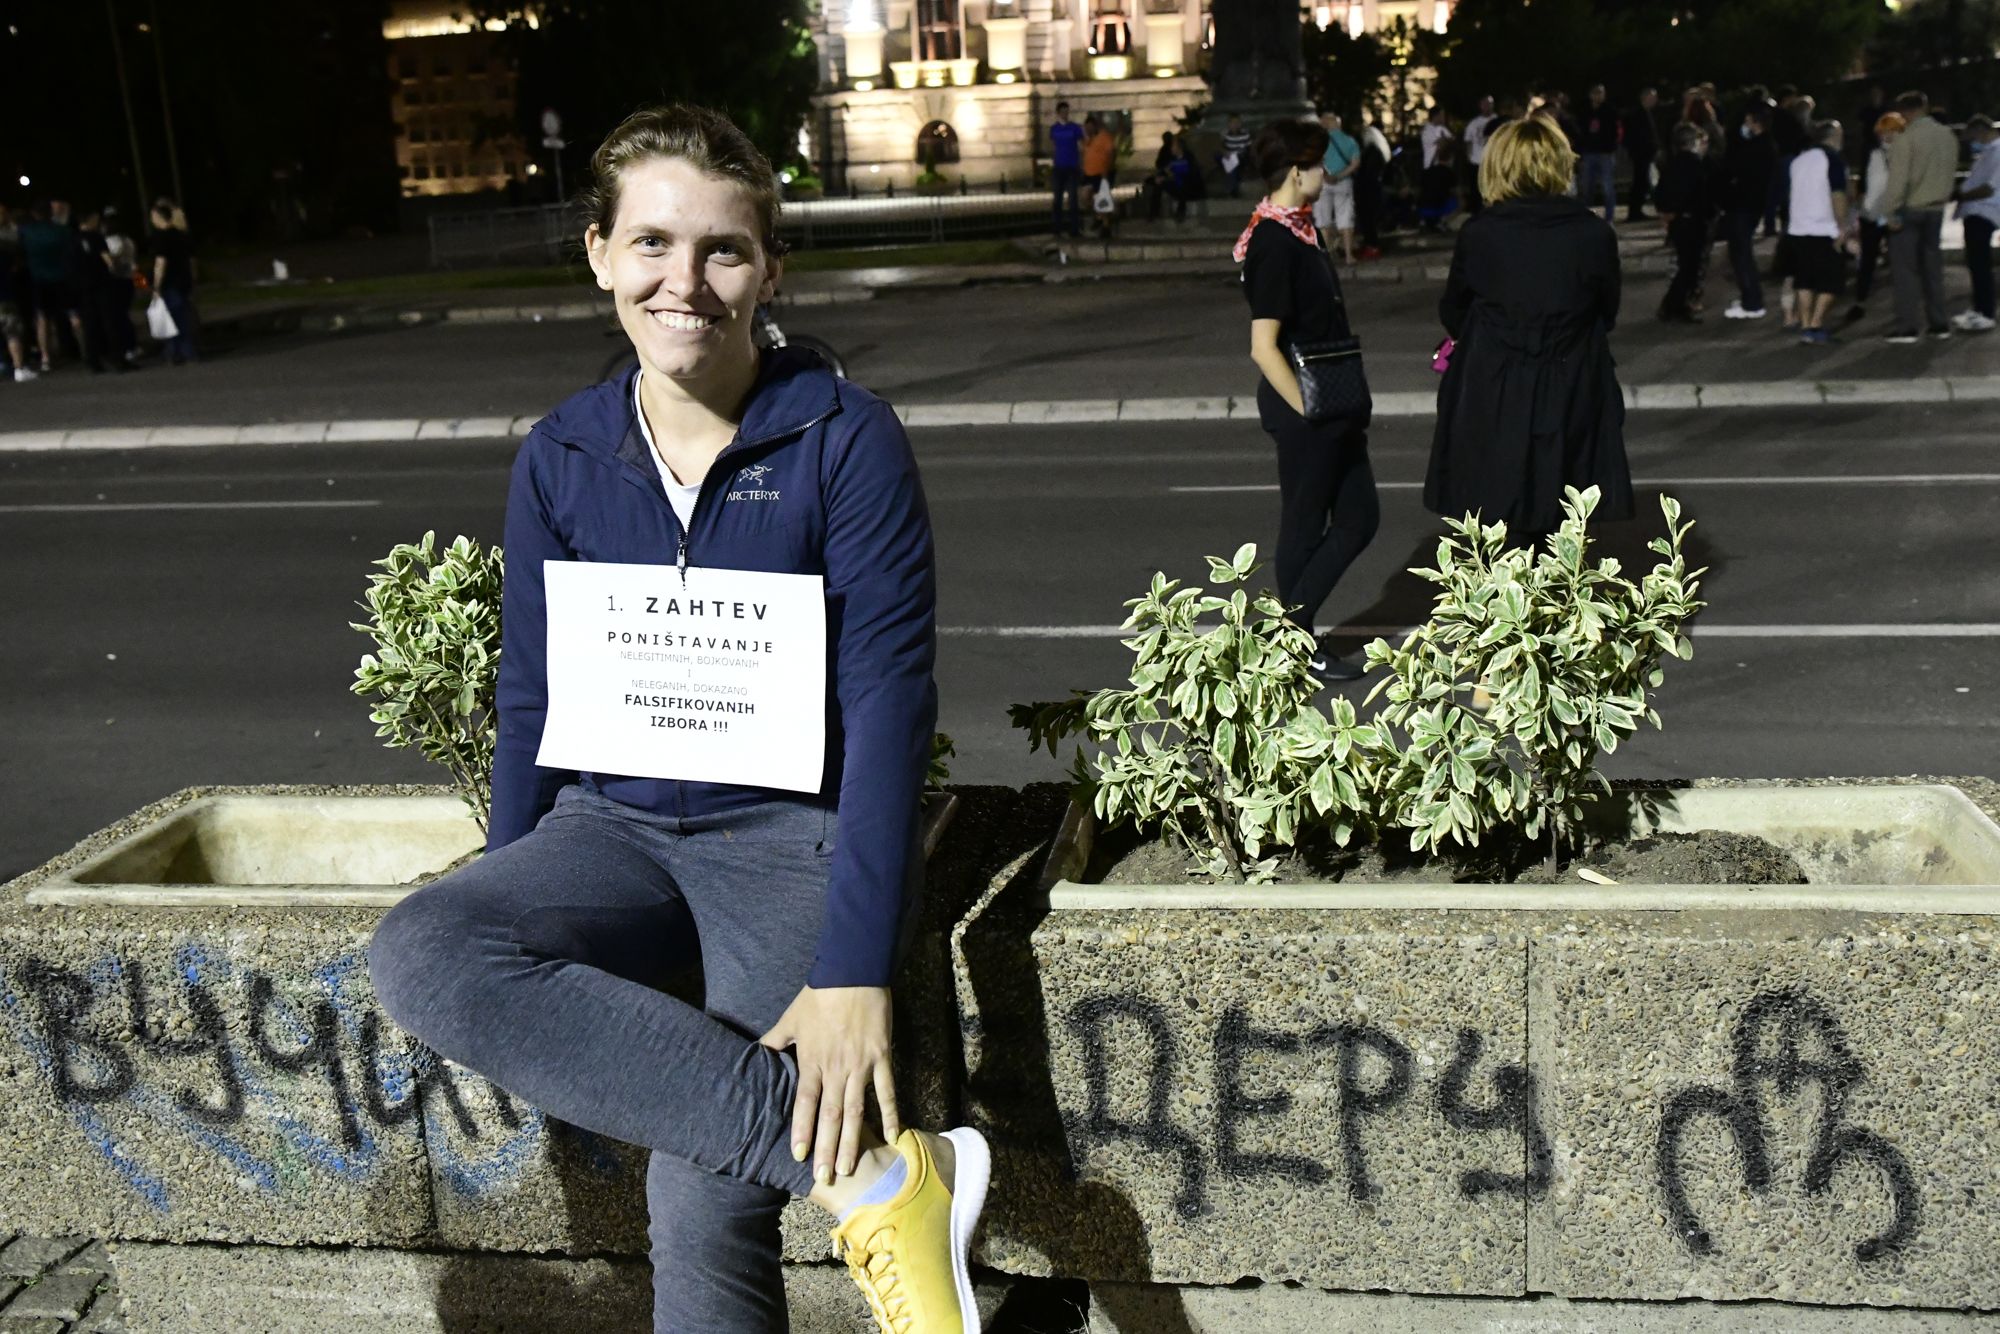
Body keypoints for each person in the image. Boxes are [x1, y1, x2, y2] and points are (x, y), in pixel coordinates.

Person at [366, 103, 989, 1334]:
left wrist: (854, 968)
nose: (683, 283)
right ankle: (874, 1178)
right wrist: (522, 882)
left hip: (787, 841)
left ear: (770, 269)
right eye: (650, 243)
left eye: (722, 250)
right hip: (614, 834)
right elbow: (532, 699)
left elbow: (888, 703)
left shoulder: (843, 440)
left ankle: (866, 1178)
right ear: (598, 253)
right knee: (422, 947)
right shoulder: (561, 454)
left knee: (700, 1199)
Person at [1428, 113, 1632, 547]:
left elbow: (1454, 310)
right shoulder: (1593, 234)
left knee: (1500, 520)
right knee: (1566, 520)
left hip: (1494, 385)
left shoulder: (1480, 233)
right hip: (1571, 380)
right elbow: (1606, 311)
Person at [1237, 116, 1378, 683]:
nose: (1327, 171)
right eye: (1318, 164)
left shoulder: (1300, 228)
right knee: (1303, 523)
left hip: (1332, 402)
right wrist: (1308, 410)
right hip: (1305, 409)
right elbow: (1262, 347)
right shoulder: (1273, 240)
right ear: (1297, 172)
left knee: (1359, 517)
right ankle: (1294, 640)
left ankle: (1289, 633)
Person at [1878, 90, 1959, 342]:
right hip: (1936, 209)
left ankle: (1908, 326)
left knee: (1905, 271)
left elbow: (1898, 180)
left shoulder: (1907, 138)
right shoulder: (1947, 135)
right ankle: (1939, 323)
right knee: (1932, 269)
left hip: (1910, 209)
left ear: (1905, 112)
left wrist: (1890, 210)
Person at [1785, 121, 1850, 344]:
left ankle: (1805, 326)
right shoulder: (1832, 159)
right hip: (1823, 227)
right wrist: (1842, 226)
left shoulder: (1798, 160)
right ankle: (1816, 323)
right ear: (1834, 137)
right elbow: (1838, 193)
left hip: (1798, 227)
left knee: (1805, 279)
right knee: (1831, 281)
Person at [1720, 104, 1777, 319]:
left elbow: (1735, 169)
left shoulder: (1757, 147)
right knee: (1741, 252)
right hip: (1750, 204)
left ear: (1756, 122)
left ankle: (1752, 301)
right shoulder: (1763, 145)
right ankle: (1750, 297)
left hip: (1744, 205)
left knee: (1741, 253)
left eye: (1748, 121)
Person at [1655, 123, 1716, 323]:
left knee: (1686, 265)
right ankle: (1674, 306)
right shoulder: (1694, 165)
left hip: (1681, 222)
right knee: (1690, 267)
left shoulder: (1673, 164)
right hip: (1692, 221)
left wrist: (1667, 212)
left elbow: (1661, 193)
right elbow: (1698, 195)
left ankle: (1674, 305)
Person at [19, 201, 89, 373]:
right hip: (63, 278)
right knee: (74, 315)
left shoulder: (27, 232)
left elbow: (20, 253)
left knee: (43, 319)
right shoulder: (62, 231)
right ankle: (86, 351)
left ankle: (45, 358)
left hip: (39, 279)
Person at [1849, 111, 1904, 323]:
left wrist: (1867, 212)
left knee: (1868, 261)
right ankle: (1903, 306)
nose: (1884, 136)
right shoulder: (1905, 154)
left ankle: (1860, 301)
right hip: (1896, 213)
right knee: (1900, 261)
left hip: (1875, 216)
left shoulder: (1877, 155)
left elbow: (1874, 189)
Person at [1951, 114, 1998, 333]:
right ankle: (1979, 309)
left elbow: (1989, 187)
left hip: (1984, 212)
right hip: (1976, 212)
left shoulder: (1997, 151)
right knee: (1975, 264)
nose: (1972, 142)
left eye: (1972, 137)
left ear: (1981, 131)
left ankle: (1986, 312)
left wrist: (1961, 196)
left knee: (1980, 264)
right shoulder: (1987, 152)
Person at [148, 199, 199, 364]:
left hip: (170, 283)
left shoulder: (161, 238)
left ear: (158, 216)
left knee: (172, 319)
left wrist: (156, 285)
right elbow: (192, 260)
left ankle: (177, 352)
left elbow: (161, 263)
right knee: (183, 316)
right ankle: (185, 351)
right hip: (184, 280)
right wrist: (193, 278)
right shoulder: (182, 235)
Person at [1315, 110, 1361, 263]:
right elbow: (1355, 163)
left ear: (1326, 123)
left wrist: (1327, 176)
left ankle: (1325, 257)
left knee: (1323, 220)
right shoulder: (1349, 141)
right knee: (1345, 218)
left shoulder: (1319, 141)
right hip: (1344, 182)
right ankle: (1349, 255)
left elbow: (1315, 161)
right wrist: (1340, 175)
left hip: (1323, 183)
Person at [99, 206, 141, 366]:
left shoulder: (111, 242)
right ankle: (132, 345)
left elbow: (112, 263)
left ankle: (128, 346)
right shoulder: (128, 240)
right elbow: (133, 263)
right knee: (124, 314)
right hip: (128, 279)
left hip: (117, 280)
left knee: (119, 316)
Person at [0, 204, 36, 383]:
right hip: (6, 294)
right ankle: (18, 367)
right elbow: (16, 267)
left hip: (7, 292)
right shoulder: (8, 246)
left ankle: (8, 364)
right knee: (12, 331)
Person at [1577, 84, 1620, 223]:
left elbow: (1616, 131)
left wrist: (1611, 146)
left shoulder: (1610, 111)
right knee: (1587, 186)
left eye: (1601, 93)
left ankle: (1609, 217)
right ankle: (1586, 215)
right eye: (1596, 93)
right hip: (1589, 152)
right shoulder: (1585, 111)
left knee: (1608, 186)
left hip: (1605, 152)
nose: (1598, 96)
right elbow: (1581, 131)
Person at [1355, 113, 1391, 257]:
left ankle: (1372, 246)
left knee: (1367, 219)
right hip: (1374, 187)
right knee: (1370, 219)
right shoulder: (1379, 151)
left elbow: (1367, 172)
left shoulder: (1371, 151)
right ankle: (1371, 245)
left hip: (1367, 189)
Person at [1049, 100, 1085, 237]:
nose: (1065, 114)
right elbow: (1053, 146)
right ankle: (1057, 229)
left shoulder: (1075, 128)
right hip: (1059, 167)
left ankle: (1074, 229)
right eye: (1063, 112)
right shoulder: (1054, 129)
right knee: (1057, 200)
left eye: (1067, 112)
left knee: (1073, 200)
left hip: (1072, 167)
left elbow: (1081, 146)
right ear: (1058, 113)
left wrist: (1081, 164)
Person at [1623, 88, 1660, 220]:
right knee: (1640, 182)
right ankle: (1634, 211)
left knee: (1642, 182)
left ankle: (1636, 210)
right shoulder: (1637, 114)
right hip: (1640, 153)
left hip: (1645, 153)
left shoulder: (1647, 113)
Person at [1081, 114, 1119, 238]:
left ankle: (1106, 226)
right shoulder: (1088, 139)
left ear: (1095, 126)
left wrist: (1107, 171)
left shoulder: (1104, 137)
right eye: (1086, 128)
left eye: (1090, 127)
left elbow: (1111, 153)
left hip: (1101, 173)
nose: (1088, 130)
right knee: (1086, 198)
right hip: (1088, 173)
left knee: (1102, 199)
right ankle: (1099, 216)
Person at [1464, 95, 1498, 213]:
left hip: (1492, 162)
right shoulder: (1474, 123)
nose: (1487, 107)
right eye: (1484, 104)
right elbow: (1468, 140)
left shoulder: (1497, 120)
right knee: (1476, 191)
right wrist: (1469, 157)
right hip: (1476, 162)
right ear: (1480, 106)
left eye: (1489, 104)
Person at [1418, 140, 1461, 231]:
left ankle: (1423, 220)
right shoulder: (1449, 173)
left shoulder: (1428, 171)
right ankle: (1442, 221)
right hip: (1438, 208)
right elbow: (1457, 192)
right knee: (1460, 202)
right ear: (1450, 158)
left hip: (1423, 207)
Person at [1220, 112, 1252, 198]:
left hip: (1241, 156)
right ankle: (1232, 189)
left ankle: (1231, 189)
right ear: (1229, 124)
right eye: (1233, 123)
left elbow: (1249, 148)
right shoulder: (1226, 135)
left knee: (1233, 167)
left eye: (1237, 123)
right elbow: (1223, 147)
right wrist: (1226, 152)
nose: (1235, 125)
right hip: (1230, 156)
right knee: (1228, 163)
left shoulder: (1245, 134)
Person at [1421, 104, 1452, 169]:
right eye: (1442, 115)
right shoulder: (1427, 130)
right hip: (1431, 166)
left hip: (1444, 166)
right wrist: (1444, 139)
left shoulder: (1442, 128)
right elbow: (1443, 142)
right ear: (1436, 116)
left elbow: (1452, 140)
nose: (1444, 117)